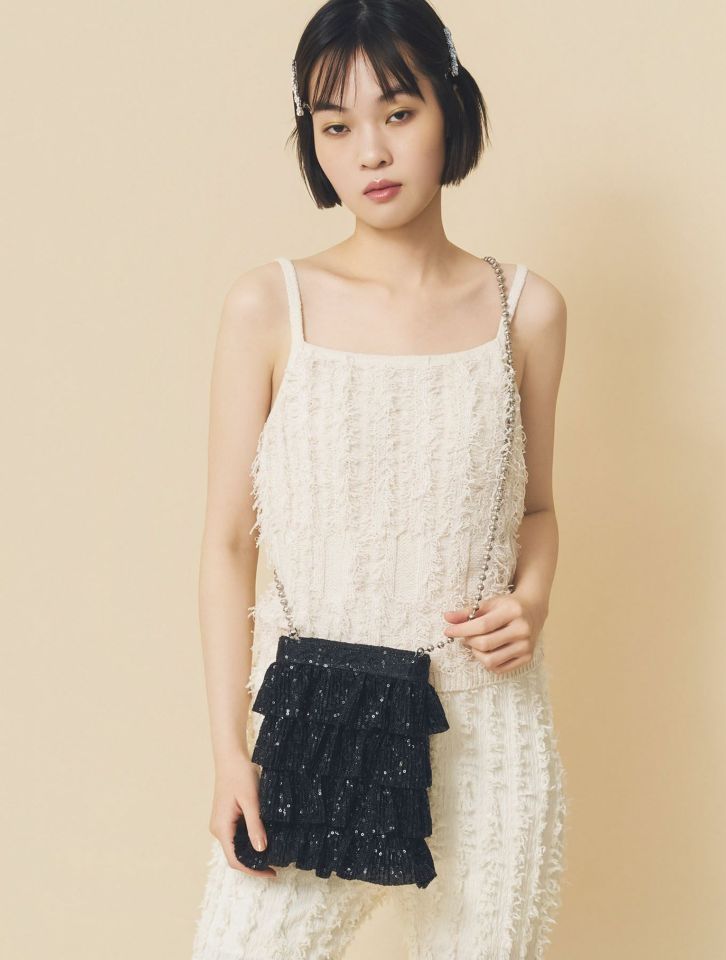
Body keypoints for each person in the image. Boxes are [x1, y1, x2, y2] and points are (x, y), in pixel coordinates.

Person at [191, 1, 568, 957]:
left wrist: (531, 599)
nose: (371, 152)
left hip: (487, 734)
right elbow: (228, 544)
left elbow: (536, 510)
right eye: (336, 126)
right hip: (311, 724)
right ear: (313, 143)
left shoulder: (527, 310)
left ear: (451, 107)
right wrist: (230, 751)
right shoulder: (268, 307)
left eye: (399, 112)